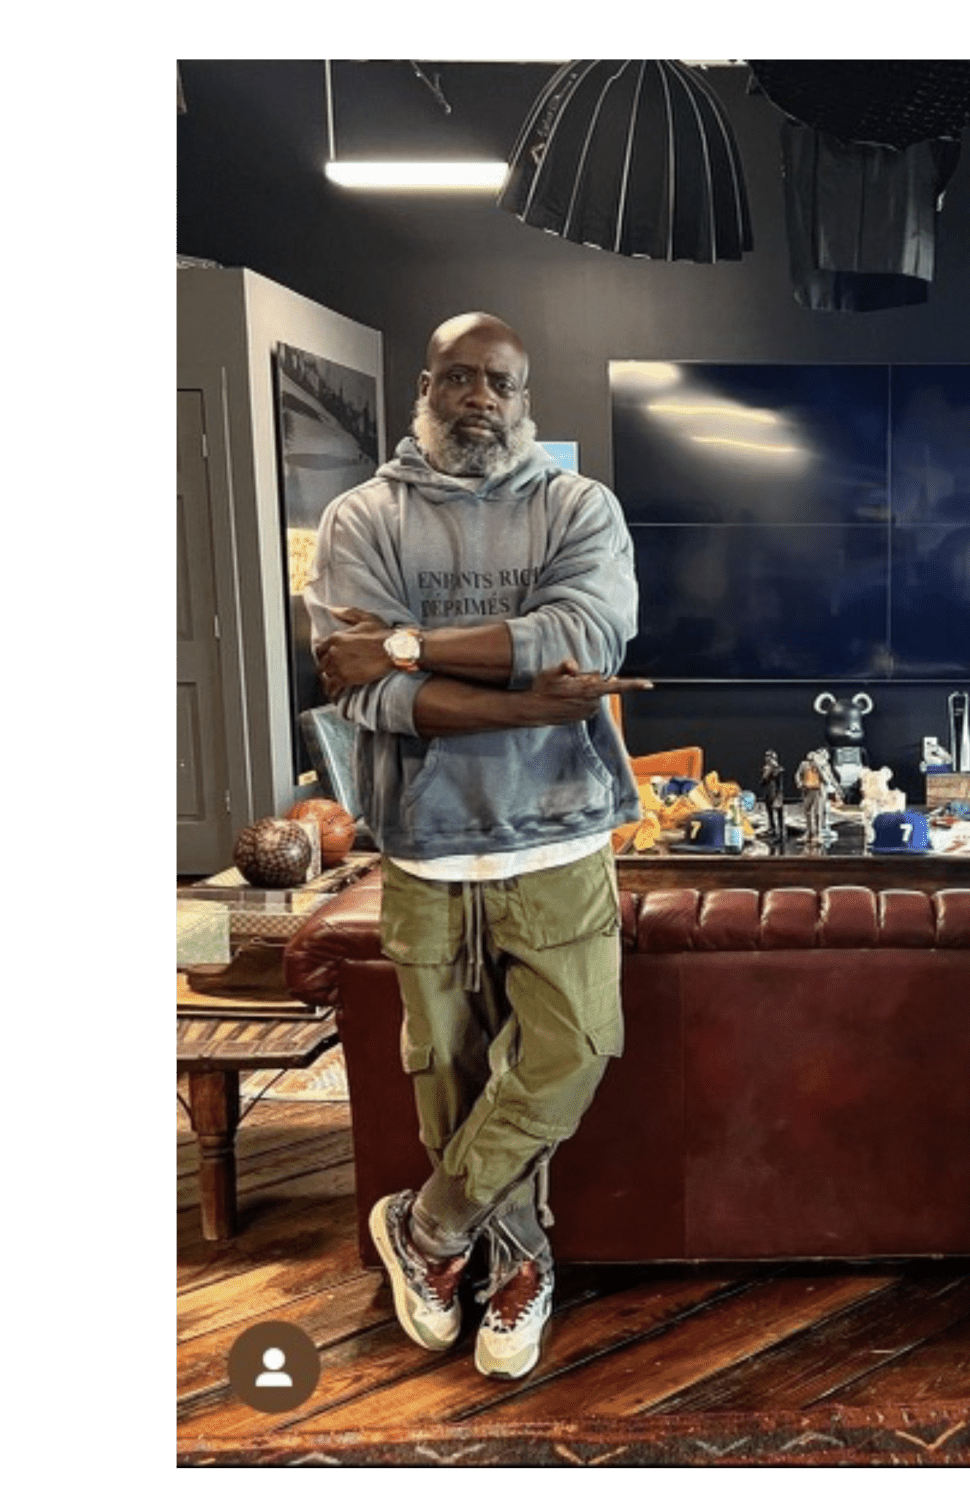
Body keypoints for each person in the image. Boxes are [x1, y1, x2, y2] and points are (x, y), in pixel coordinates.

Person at [306, 311, 652, 1381]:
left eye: (499, 383)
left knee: (568, 1055)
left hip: (558, 842)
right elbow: (365, 700)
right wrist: (532, 706)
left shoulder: (577, 507)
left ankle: (427, 1229)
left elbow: (578, 638)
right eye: (459, 379)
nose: (480, 400)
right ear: (426, 385)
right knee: (448, 1084)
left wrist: (404, 646)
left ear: (524, 393)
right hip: (422, 845)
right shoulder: (360, 518)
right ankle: (517, 1271)